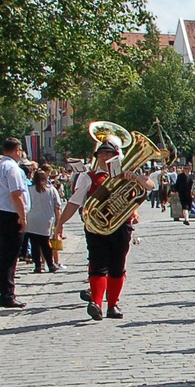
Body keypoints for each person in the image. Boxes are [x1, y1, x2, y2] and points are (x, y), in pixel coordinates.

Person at [57, 136, 145, 321]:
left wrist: (134, 177)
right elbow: (74, 202)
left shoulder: (125, 174)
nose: (105, 158)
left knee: (118, 265)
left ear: (116, 156)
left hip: (121, 226)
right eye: (101, 154)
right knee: (98, 264)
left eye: (109, 154)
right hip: (96, 227)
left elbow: (147, 187)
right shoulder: (87, 177)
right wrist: (60, 223)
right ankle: (96, 303)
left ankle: (113, 305)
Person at [0, 137, 30, 308]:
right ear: (17, 150)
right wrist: (22, 216)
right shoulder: (12, 168)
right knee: (10, 257)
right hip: (11, 214)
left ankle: (6, 293)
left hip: (0, 212)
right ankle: (7, 295)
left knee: (5, 255)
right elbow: (16, 194)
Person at [24, 168, 62, 273]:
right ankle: (50, 264)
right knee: (45, 243)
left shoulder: (29, 189)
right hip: (46, 219)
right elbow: (57, 205)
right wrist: (59, 220)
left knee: (34, 244)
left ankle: (38, 265)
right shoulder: (51, 189)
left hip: (32, 218)